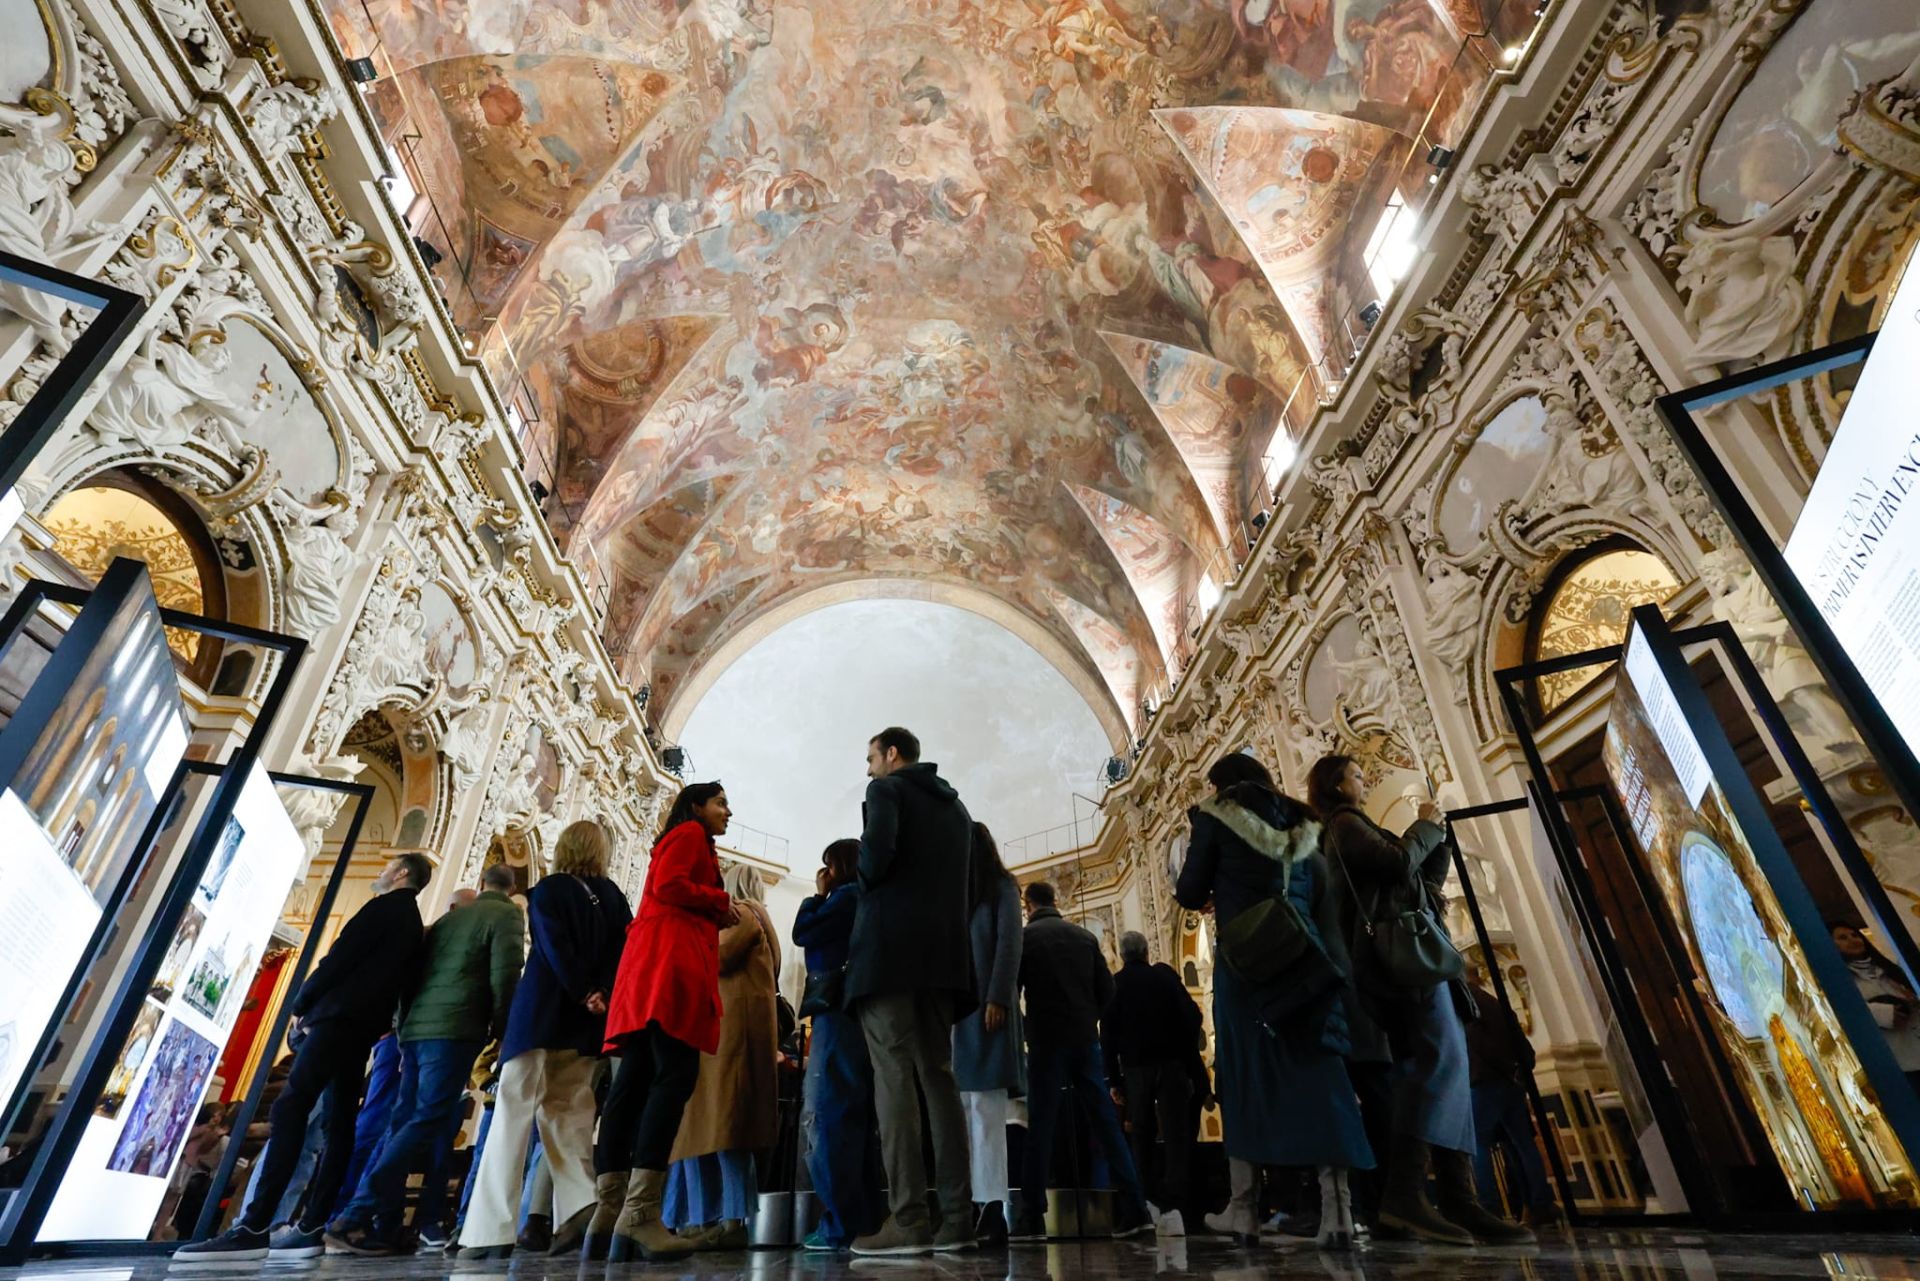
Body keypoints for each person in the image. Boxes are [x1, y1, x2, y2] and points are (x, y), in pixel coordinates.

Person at [1310, 753, 1529, 1246]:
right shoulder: (1343, 826)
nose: (1364, 781)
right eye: (1357, 775)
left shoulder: (1358, 825)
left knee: (1445, 1067)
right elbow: (1395, 862)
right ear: (1336, 785)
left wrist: (1439, 837)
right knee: (1436, 1068)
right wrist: (1423, 827)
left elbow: (1420, 882)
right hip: (1403, 966)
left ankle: (1458, 1199)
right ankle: (1408, 1195)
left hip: (1421, 960)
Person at [174, 853, 430, 1265]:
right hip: (362, 1028)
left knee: (292, 1107)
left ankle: (254, 1227)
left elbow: (339, 959)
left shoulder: (383, 907)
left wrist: (302, 1000)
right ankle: (312, 1225)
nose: (381, 872)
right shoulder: (413, 924)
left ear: (401, 874)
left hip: (335, 1019)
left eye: (388, 867)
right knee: (340, 1123)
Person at [1177, 753, 1374, 1249]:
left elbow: (1188, 890)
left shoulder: (1214, 815)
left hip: (1248, 961)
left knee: (1244, 1076)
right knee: (1321, 1075)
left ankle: (1243, 1208)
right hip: (1308, 959)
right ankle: (1339, 1211)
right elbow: (1325, 902)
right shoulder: (1306, 822)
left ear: (1221, 786)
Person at [326, 862, 524, 1254]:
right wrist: (504, 1031)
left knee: (400, 1123)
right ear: (511, 888)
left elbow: (412, 972)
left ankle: (384, 1225)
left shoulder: (450, 920)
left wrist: (402, 1027)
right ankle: (356, 1214)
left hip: (415, 1030)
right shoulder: (506, 916)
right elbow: (505, 975)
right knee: (426, 1119)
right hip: (454, 1030)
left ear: (482, 883)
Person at [456, 820, 632, 1260]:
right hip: (588, 1021)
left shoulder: (550, 889)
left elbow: (551, 946)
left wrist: (579, 987)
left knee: (513, 1113)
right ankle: (577, 1209)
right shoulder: (615, 898)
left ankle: (487, 1231)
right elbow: (624, 951)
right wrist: (602, 993)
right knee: (570, 1112)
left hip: (543, 1011)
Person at [589, 783, 738, 1262]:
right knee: (673, 1078)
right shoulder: (691, 834)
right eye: (720, 803)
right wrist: (720, 904)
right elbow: (671, 885)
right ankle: (640, 1217)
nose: (727, 812)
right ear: (696, 806)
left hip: (648, 966)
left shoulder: (681, 835)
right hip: (671, 965)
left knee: (632, 1082)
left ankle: (608, 1215)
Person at [844, 727, 978, 1257]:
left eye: (872, 758)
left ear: (892, 754)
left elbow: (873, 861)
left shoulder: (887, 791)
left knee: (894, 1079)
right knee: (940, 1082)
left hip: (889, 957)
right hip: (942, 959)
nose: (870, 769)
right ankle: (958, 1220)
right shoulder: (959, 810)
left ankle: (909, 1219)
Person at [1009, 880, 1152, 1241]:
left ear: (1028, 906)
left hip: (1044, 1043)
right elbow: (1108, 994)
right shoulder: (1084, 938)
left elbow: (1011, 995)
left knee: (1040, 1129)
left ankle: (1031, 1218)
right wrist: (1087, 1020)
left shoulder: (1025, 940)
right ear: (1054, 901)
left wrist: (1029, 1027)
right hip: (1086, 1041)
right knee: (1107, 1125)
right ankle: (1136, 1210)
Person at [663, 860, 781, 1248]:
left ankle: (725, 1217)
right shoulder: (761, 918)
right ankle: (706, 1216)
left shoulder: (744, 915)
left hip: (726, 1037)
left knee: (721, 1130)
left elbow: (715, 956)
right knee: (714, 1131)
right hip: (727, 1037)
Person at [793, 840, 882, 1251]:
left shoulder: (844, 897)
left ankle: (837, 1223)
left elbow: (803, 933)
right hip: (857, 1011)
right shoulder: (866, 896)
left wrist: (815, 895)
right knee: (853, 1117)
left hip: (836, 1012)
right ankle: (858, 1219)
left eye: (828, 863)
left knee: (830, 1114)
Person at [1102, 929, 1203, 1236]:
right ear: (1147, 952)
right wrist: (1185, 1053)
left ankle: (1147, 1202)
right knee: (1176, 1135)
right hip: (1171, 1065)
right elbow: (1193, 1016)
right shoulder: (1164, 976)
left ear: (1121, 955)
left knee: (1141, 1137)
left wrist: (1113, 1080)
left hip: (1135, 1070)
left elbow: (1107, 1036)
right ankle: (1179, 1207)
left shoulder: (1115, 985)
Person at [952, 822, 1024, 1245]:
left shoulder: (1002, 887)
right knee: (966, 1113)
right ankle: (976, 1203)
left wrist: (998, 995)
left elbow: (1010, 943)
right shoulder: (960, 895)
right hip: (962, 1015)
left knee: (987, 1114)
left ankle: (994, 1205)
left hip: (989, 1012)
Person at [1464, 980, 1557, 1224]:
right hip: (1511, 1082)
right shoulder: (1494, 1002)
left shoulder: (1467, 1003)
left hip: (1484, 1081)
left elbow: (1476, 1042)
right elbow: (1523, 1047)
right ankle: (1540, 1204)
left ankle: (1489, 1207)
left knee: (1478, 1145)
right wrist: (1514, 1070)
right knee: (1523, 1143)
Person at [1832, 923, 1920, 1096]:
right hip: (1900, 1062)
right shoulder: (1840, 981)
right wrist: (1882, 1013)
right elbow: (1843, 1012)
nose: (1852, 940)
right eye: (1843, 938)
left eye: (1854, 935)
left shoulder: (1890, 971)